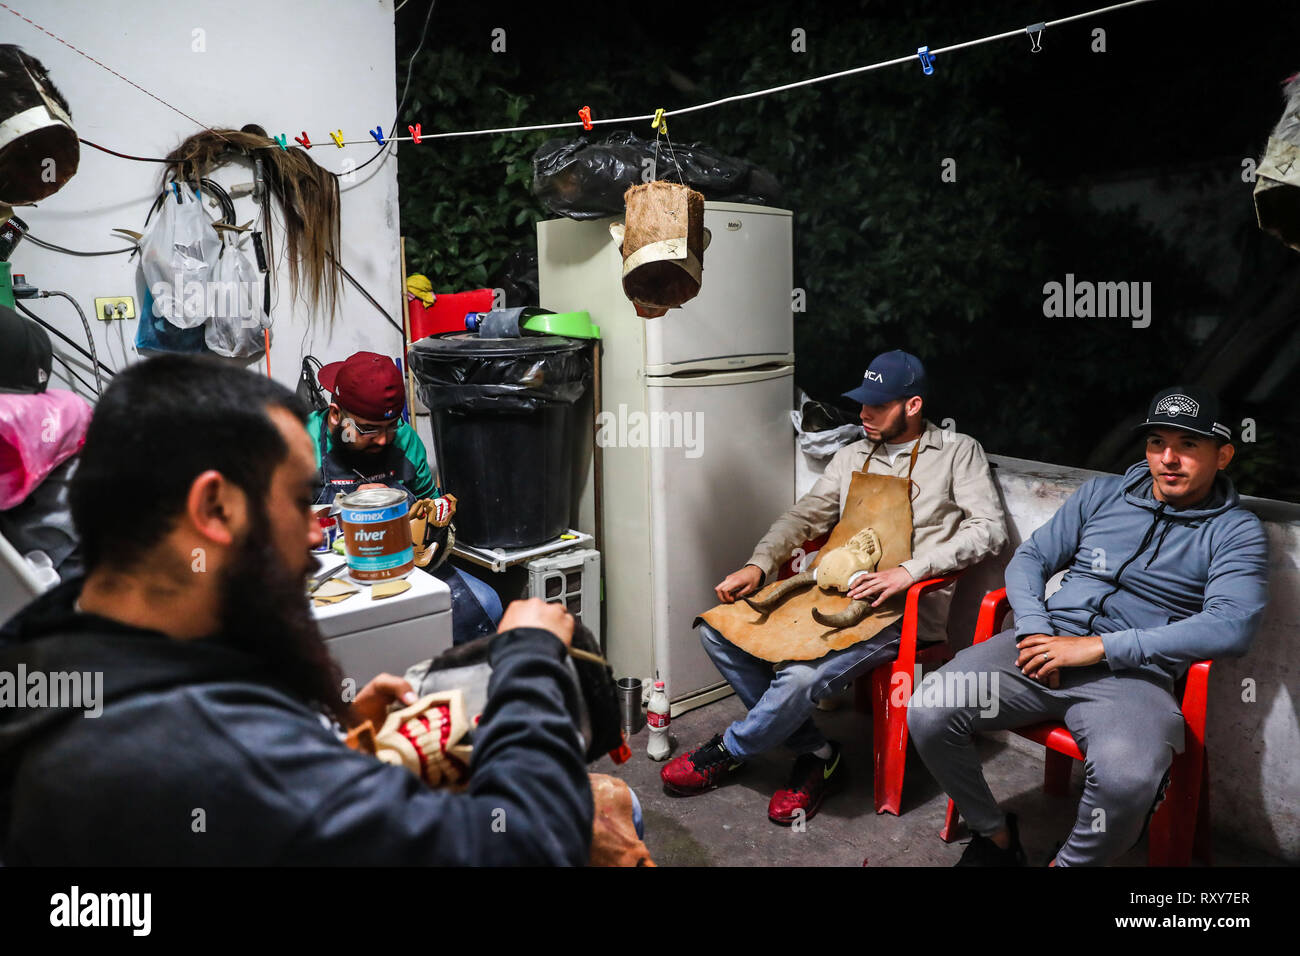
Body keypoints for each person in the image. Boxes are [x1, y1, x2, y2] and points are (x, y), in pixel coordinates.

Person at [0, 355, 593, 865]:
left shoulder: (47, 641)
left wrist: (321, 733)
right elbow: (528, 845)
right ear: (215, 508)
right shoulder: (222, 750)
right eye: (295, 499)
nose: (317, 532)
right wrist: (530, 663)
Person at [908, 385, 1270, 866]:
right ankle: (994, 834)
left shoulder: (1236, 531)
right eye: (1157, 443)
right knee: (930, 706)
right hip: (1040, 647)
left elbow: (1232, 626)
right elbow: (1031, 558)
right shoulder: (1104, 494)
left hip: (1132, 678)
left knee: (1127, 780)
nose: (1169, 459)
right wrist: (1035, 628)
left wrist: (1101, 648)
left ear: (1222, 455)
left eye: (1188, 445)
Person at [662, 350, 1009, 823]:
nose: (863, 414)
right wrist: (759, 565)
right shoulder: (850, 455)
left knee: (801, 676)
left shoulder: (956, 452)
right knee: (715, 630)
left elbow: (989, 529)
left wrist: (910, 571)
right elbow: (805, 517)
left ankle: (731, 748)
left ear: (912, 406)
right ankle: (818, 753)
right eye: (862, 402)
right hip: (828, 596)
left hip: (899, 614)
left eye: (878, 405)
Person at [307, 350, 502, 643]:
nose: (383, 440)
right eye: (368, 429)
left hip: (406, 564)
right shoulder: (300, 442)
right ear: (336, 415)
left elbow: (435, 511)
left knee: (487, 604)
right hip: (329, 573)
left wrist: (412, 511)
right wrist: (342, 509)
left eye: (391, 426)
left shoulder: (405, 440)